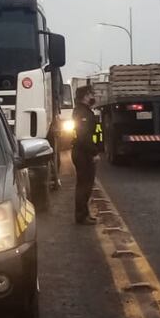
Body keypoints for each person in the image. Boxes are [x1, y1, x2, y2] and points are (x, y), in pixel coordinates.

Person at [72, 85, 102, 224]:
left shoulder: (85, 111)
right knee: (84, 185)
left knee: (86, 185)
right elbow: (84, 137)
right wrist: (94, 152)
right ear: (85, 96)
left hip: (84, 152)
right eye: (91, 94)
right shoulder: (82, 112)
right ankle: (81, 216)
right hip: (83, 153)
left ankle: (84, 214)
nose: (93, 96)